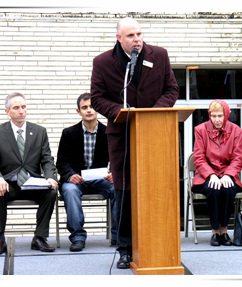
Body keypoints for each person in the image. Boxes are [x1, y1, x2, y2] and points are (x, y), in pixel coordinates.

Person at [90, 17, 179, 268]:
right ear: (119, 38)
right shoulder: (103, 62)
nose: (137, 39)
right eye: (130, 36)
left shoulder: (159, 55)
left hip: (155, 136)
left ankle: (156, 244)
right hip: (122, 137)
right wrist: (120, 110)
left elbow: (172, 90)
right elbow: (96, 98)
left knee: (156, 191)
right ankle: (126, 248)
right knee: (125, 192)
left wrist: (152, 114)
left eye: (139, 34)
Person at [0, 92, 58, 256]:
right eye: (16, 108)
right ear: (7, 111)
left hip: (32, 183)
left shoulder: (39, 132)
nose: (21, 111)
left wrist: (51, 176)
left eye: (23, 107)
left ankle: (39, 238)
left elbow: (47, 159)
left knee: (51, 192)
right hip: (9, 184)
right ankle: (0, 239)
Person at [56, 93, 117, 252]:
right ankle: (77, 237)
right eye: (84, 108)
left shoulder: (109, 132)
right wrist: (70, 175)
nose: (89, 110)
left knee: (118, 188)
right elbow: (61, 162)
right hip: (77, 181)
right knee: (69, 190)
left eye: (92, 107)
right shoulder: (68, 133)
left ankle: (118, 235)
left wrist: (114, 173)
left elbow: (119, 159)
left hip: (100, 180)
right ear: (78, 111)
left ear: (97, 109)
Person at [192, 100, 242, 246]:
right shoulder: (200, 130)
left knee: (228, 189)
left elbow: (238, 157)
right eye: (213, 116)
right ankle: (215, 231)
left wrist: (228, 174)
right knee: (213, 189)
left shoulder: (236, 131)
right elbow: (199, 157)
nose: (217, 120)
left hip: (228, 173)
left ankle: (224, 230)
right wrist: (211, 175)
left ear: (226, 115)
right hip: (206, 175)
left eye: (220, 116)